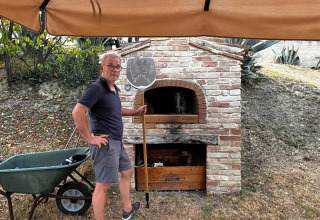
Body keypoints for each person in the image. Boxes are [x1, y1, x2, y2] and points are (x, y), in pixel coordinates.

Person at [72, 52, 146, 220]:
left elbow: (116, 110)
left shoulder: (113, 89)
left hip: (116, 142)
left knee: (127, 171)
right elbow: (78, 112)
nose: (115, 69)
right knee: (103, 185)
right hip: (105, 143)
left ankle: (127, 209)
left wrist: (136, 112)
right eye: (110, 66)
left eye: (118, 66)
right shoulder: (96, 88)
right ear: (102, 68)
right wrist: (90, 138)